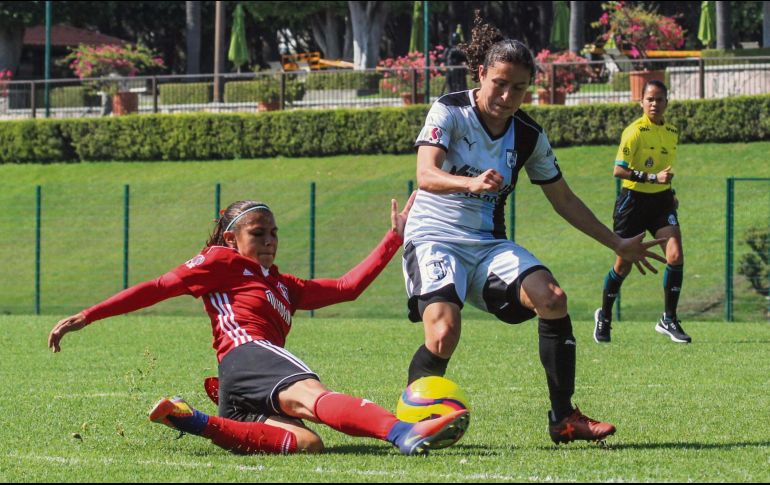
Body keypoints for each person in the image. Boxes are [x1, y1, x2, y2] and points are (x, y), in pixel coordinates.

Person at [401, 12, 666, 445]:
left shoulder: (528, 135)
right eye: (500, 84)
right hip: (434, 236)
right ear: (481, 73)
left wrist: (617, 242)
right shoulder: (449, 109)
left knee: (552, 298)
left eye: (519, 88)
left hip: (487, 245)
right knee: (444, 333)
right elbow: (426, 174)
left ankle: (564, 419)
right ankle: (410, 422)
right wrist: (471, 183)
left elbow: (564, 200)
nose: (508, 96)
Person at [48, 195, 470, 456]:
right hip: (248, 353)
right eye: (258, 232)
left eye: (273, 233)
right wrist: (90, 314)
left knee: (308, 443)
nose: (269, 240)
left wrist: (393, 238)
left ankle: (190, 419)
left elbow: (348, 287)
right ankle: (402, 432)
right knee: (312, 397)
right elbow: (159, 287)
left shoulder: (284, 285)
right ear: (231, 239)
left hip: (236, 384)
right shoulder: (221, 261)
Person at [594, 80, 690, 344]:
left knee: (675, 255)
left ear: (667, 102)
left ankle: (668, 319)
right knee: (623, 264)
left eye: (659, 99)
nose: (654, 104)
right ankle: (604, 315)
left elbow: (664, 170)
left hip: (661, 201)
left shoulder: (671, 132)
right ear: (641, 102)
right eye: (650, 99)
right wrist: (652, 178)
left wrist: (669, 191)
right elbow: (619, 170)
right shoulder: (634, 132)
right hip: (633, 203)